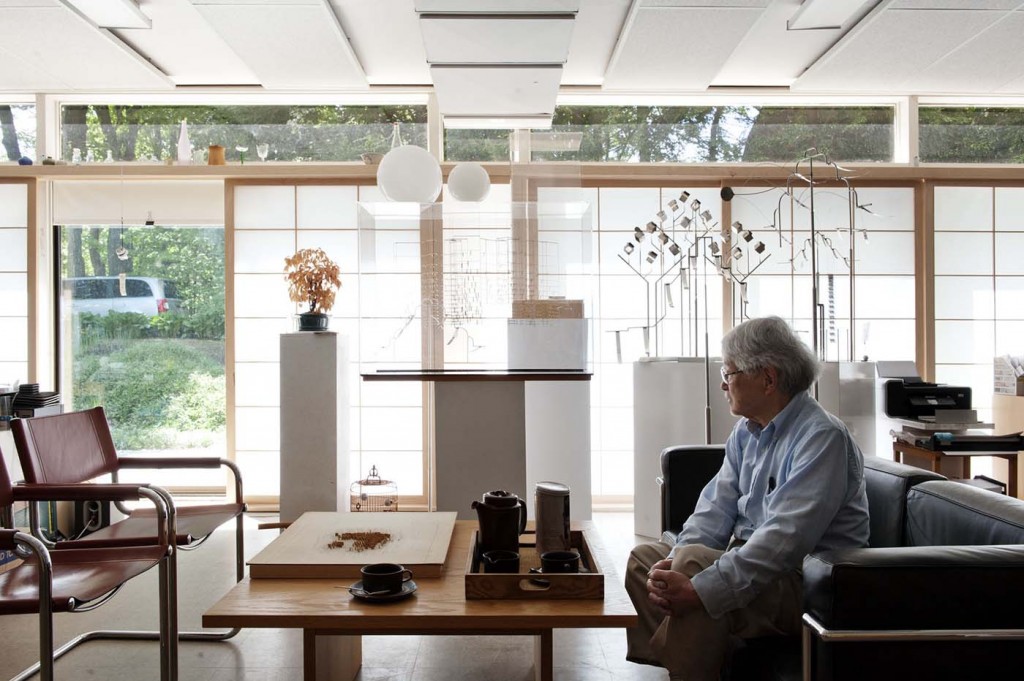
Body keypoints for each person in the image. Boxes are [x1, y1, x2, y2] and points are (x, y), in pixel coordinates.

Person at [625, 316, 870, 681]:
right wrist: (674, 560)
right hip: (760, 567)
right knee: (645, 562)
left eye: (729, 374)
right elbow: (714, 508)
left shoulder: (821, 438)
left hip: (806, 583)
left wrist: (698, 584)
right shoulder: (746, 431)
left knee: (694, 569)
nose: (724, 385)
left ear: (768, 379)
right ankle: (687, 662)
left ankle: (687, 666)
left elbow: (783, 542)